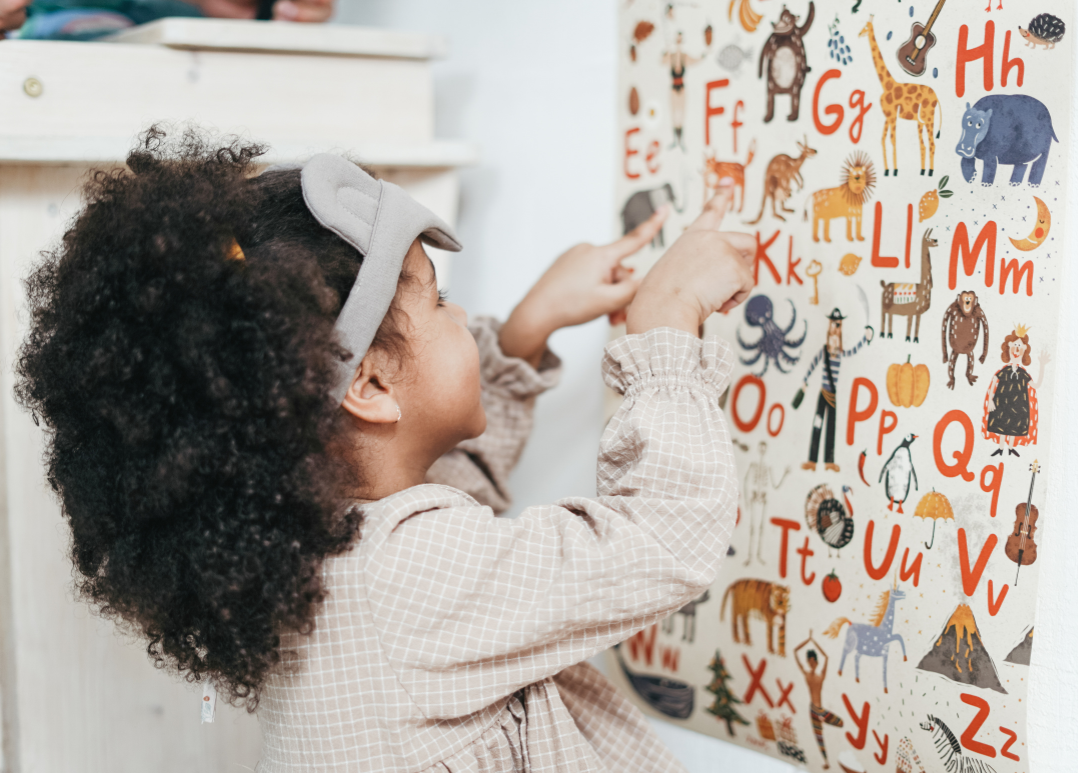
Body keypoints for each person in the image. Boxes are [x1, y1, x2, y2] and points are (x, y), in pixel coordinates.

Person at [14, 127, 754, 771]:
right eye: (438, 300)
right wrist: (667, 319)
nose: (462, 313)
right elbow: (662, 539)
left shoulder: (309, 555)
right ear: (367, 383)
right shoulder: (405, 578)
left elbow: (449, 490)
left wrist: (527, 329)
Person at [800, 308, 872, 472]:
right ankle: (812, 460)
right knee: (818, 424)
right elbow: (813, 364)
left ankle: (829, 461)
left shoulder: (840, 352)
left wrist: (865, 339)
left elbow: (853, 351)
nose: (835, 328)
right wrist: (805, 381)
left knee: (831, 427)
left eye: (838, 325)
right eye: (833, 324)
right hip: (823, 393)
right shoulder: (824, 350)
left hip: (832, 395)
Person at [982, 324, 1050, 457]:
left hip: (1018, 405)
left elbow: (1036, 385)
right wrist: (990, 400)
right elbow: (994, 382)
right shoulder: (1004, 371)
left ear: (1024, 350)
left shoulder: (1023, 373)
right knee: (1001, 423)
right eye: (1015, 345)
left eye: (1020, 346)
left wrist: (1042, 366)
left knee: (1014, 423)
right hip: (1002, 403)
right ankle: (1001, 447)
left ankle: (1011, 447)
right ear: (1008, 347)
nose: (1017, 349)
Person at [795, 632, 843, 770]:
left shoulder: (820, 675)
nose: (811, 664)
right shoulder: (806, 675)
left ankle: (824, 721)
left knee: (840, 722)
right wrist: (808, 639)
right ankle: (826, 761)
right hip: (813, 710)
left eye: (813, 662)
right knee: (819, 738)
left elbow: (826, 657)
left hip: (820, 710)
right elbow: (795, 652)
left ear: (816, 662)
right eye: (809, 662)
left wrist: (814, 641)